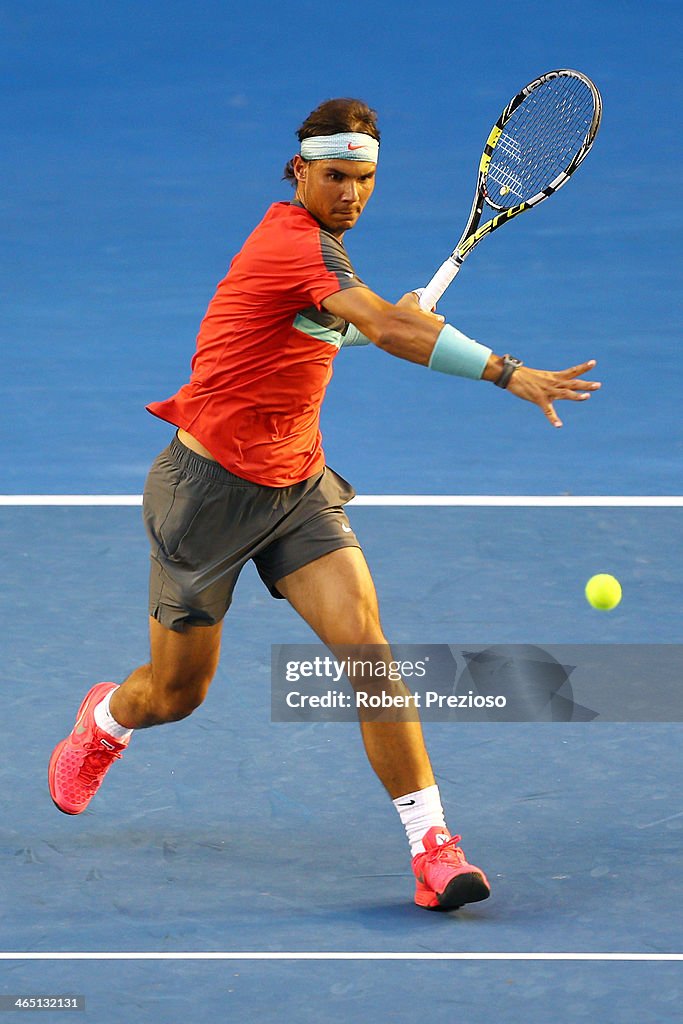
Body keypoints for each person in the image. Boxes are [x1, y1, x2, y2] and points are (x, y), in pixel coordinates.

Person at [48, 97, 600, 911]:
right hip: (204, 499)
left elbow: (324, 328)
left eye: (365, 179)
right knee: (176, 695)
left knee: (368, 654)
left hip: (298, 487)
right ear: (300, 170)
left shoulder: (324, 260)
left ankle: (431, 848)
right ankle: (106, 722)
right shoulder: (291, 242)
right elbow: (375, 326)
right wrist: (500, 368)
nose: (350, 193)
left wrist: (376, 324)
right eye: (336, 176)